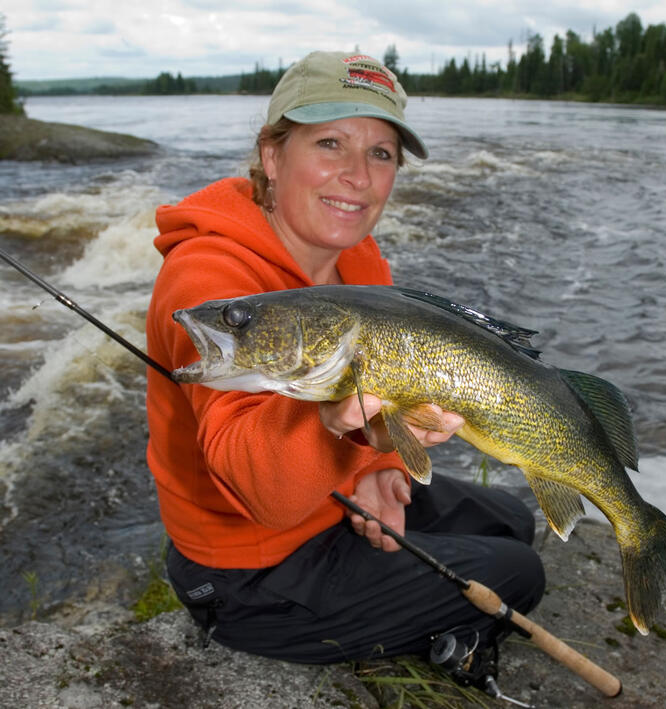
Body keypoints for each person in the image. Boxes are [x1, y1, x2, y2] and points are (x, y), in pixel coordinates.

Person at [146, 50, 545, 663]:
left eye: (381, 153)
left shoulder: (355, 260)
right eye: (331, 143)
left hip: (325, 501)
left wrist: (372, 467)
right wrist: (339, 429)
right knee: (518, 573)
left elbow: (375, 404)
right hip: (249, 572)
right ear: (272, 156)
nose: (358, 175)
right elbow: (259, 490)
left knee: (512, 519)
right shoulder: (209, 280)